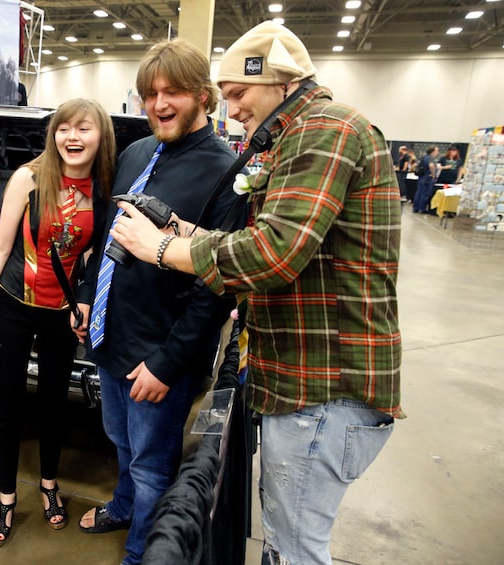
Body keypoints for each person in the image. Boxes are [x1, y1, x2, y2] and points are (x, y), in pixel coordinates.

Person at [107, 22, 403, 565]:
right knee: (284, 541)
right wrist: (184, 232)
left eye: (240, 92)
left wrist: (161, 249)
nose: (233, 107)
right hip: (303, 383)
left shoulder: (326, 131)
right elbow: (267, 242)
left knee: (294, 551)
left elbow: (273, 255)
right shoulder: (298, 136)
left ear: (280, 82)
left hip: (323, 383)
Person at [72, 38, 245, 565]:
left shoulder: (227, 174)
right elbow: (106, 234)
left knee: (152, 464)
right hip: (110, 338)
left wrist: (167, 364)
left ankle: (143, 552)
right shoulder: (136, 153)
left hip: (159, 357)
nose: (158, 105)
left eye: (172, 93)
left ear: (202, 95)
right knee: (120, 442)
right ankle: (125, 506)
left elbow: (219, 287)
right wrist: (85, 297)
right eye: (149, 94)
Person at [0, 98, 117, 547]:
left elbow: (93, 253)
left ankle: (49, 487)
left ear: (100, 136)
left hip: (60, 316)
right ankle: (7, 498)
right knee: (5, 406)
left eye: (84, 129)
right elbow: (0, 248)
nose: (72, 137)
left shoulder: (103, 187)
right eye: (64, 128)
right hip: (12, 304)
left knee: (53, 405)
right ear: (54, 136)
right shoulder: (27, 178)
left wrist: (84, 302)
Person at [413, 145, 439, 213]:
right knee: (425, 194)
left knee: (419, 193)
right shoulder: (430, 158)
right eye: (436, 151)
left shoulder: (424, 157)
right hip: (427, 178)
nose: (437, 152)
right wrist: (433, 174)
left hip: (421, 177)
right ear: (433, 151)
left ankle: (416, 207)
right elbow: (431, 166)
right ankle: (422, 208)